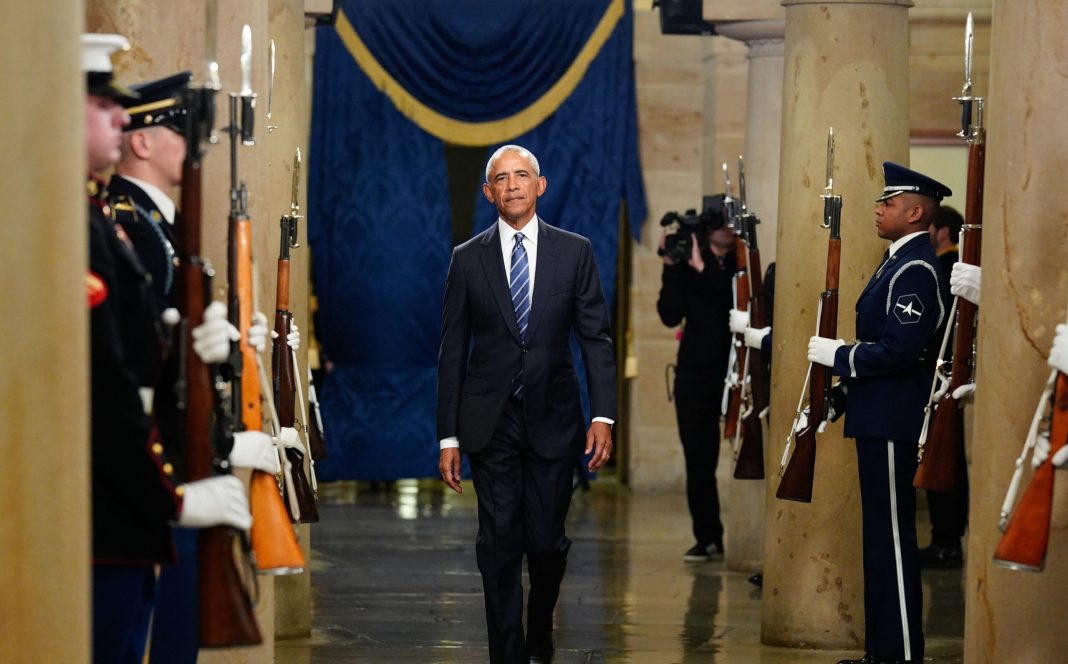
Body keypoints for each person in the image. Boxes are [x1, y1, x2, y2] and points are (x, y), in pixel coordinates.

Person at [107, 71, 291, 663]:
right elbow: (140, 369)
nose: (195, 143)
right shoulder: (131, 225)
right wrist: (218, 448)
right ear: (141, 141)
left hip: (175, 461)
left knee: (172, 632)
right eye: (177, 129)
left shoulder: (154, 225)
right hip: (158, 469)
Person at [83, 34, 251, 664]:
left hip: (139, 478)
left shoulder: (112, 218)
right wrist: (175, 492)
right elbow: (110, 380)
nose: (119, 119)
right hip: (124, 484)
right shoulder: (117, 223)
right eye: (101, 106)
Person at [436, 145, 616, 663]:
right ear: (488, 192)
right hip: (490, 423)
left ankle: (541, 629)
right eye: (501, 178)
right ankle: (508, 655)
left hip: (554, 420)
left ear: (540, 185)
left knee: (544, 544)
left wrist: (603, 414)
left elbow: (596, 337)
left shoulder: (574, 251)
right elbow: (452, 350)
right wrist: (448, 435)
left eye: (522, 175)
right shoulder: (467, 259)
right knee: (497, 544)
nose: (512, 185)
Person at [807, 162, 951, 664]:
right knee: (878, 541)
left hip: (895, 420)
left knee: (892, 539)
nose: (878, 209)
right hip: (877, 414)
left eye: (888, 203)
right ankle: (882, 653)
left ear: (915, 213)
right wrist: (843, 394)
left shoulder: (915, 268)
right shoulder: (895, 262)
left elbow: (899, 350)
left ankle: (902, 655)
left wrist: (839, 355)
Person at [656, 200, 735, 562]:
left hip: (738, 371)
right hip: (696, 374)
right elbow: (670, 315)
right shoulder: (688, 265)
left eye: (731, 223)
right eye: (719, 223)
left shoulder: (741, 262)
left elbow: (732, 301)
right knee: (698, 460)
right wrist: (672, 268)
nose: (727, 229)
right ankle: (708, 537)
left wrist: (703, 268)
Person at [920, 205, 969, 569]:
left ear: (943, 231)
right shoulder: (947, 265)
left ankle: (946, 540)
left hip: (941, 375)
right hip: (943, 374)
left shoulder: (947, 267)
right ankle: (945, 538)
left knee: (942, 458)